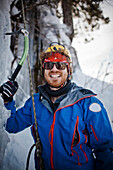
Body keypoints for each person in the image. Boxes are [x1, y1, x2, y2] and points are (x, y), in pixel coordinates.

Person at [1, 42, 113, 170]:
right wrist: (7, 100)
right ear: (43, 70)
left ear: (68, 70)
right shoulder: (35, 103)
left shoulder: (87, 102)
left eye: (60, 64)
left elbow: (105, 150)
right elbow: (10, 125)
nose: (54, 69)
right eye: (49, 65)